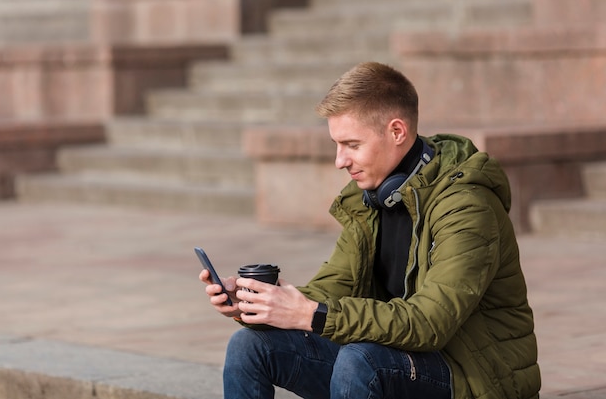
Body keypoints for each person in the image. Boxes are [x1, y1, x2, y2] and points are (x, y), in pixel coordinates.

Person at [200, 61, 541, 399]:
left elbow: (429, 323)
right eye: (337, 145)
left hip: (473, 377)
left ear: (397, 132)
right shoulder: (372, 200)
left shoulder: (466, 205)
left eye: (351, 144)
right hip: (393, 361)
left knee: (361, 360)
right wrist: (259, 306)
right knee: (251, 345)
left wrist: (311, 314)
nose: (340, 160)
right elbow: (334, 288)